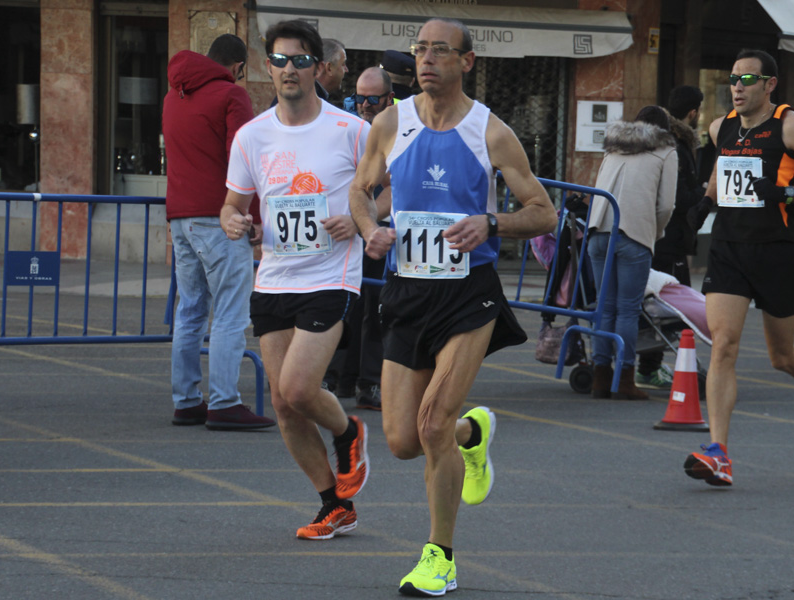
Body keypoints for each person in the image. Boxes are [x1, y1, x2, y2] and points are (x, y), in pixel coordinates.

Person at [349, 17, 557, 596]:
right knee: (401, 440)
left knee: (432, 420)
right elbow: (360, 189)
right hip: (409, 289)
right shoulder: (392, 122)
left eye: (441, 50)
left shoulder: (491, 132)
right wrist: (370, 228)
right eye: (420, 49)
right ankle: (474, 434)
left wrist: (492, 221)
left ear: (467, 62)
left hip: (470, 292)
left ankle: (439, 557)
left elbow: (544, 212)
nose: (427, 60)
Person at [221, 19, 370, 541]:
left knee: (300, 387)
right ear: (268, 67)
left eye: (301, 60)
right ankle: (334, 504)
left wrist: (359, 220)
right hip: (275, 276)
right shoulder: (252, 135)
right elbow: (231, 206)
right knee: (283, 403)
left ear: (318, 68)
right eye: (281, 60)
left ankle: (349, 431)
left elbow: (389, 188)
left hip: (332, 272)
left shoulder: (351, 131)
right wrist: (236, 222)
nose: (290, 69)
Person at [683, 49, 794, 487]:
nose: (737, 87)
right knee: (724, 344)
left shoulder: (790, 125)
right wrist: (702, 207)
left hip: (778, 250)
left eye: (748, 79)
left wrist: (786, 195)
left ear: (769, 84)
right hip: (729, 249)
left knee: (780, 356)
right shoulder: (722, 127)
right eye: (733, 79)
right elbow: (723, 174)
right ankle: (718, 452)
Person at [162, 34, 276, 431]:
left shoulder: (173, 94)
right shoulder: (231, 96)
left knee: (190, 310)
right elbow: (242, 160)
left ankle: (187, 400)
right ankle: (226, 401)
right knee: (230, 311)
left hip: (180, 216)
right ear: (239, 66)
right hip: (221, 216)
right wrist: (255, 215)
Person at [586, 106, 677, 400]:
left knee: (604, 307)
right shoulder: (666, 152)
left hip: (598, 230)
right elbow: (666, 206)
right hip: (634, 234)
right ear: (665, 130)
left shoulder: (614, 148)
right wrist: (655, 231)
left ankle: (600, 377)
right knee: (627, 309)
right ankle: (625, 379)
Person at [327, 67, 396, 410]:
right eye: (359, 98)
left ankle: (369, 383)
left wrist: (364, 223)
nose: (364, 105)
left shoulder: (399, 129)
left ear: (388, 97)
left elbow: (393, 188)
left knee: (374, 307)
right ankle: (339, 375)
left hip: (377, 232)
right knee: (342, 305)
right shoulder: (344, 126)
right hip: (343, 231)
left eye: (372, 99)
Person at [636, 86, 704, 389]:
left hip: (654, 237)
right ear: (693, 112)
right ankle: (653, 368)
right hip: (667, 238)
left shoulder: (656, 142)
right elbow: (673, 200)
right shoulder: (674, 147)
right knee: (673, 308)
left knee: (655, 306)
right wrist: (705, 192)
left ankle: (649, 366)